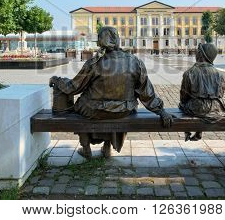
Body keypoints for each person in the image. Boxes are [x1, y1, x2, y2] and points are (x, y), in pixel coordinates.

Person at [49, 26, 174, 159]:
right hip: (124, 110)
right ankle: (107, 146)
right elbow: (146, 93)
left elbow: (74, 87)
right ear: (117, 40)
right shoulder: (134, 61)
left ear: (101, 42)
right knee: (113, 109)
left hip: (95, 111)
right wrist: (161, 111)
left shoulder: (94, 63)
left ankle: (86, 148)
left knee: (80, 104)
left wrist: (57, 80)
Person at [179, 43, 225, 141]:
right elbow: (221, 94)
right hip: (217, 108)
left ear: (201, 54)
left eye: (197, 51)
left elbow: (184, 96)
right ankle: (198, 131)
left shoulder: (190, 72)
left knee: (183, 106)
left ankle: (187, 131)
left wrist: (184, 103)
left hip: (197, 107)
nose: (196, 53)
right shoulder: (219, 74)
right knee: (197, 108)